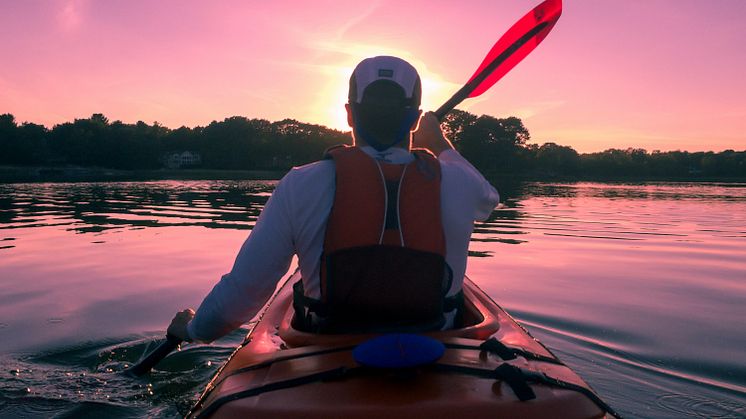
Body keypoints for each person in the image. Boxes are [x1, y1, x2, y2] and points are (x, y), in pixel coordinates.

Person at [167, 56, 499, 342]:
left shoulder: (301, 184)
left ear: (349, 114)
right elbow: (489, 200)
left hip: (328, 348)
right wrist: (439, 142)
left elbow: (243, 294)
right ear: (414, 119)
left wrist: (193, 330)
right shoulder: (460, 182)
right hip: (438, 348)